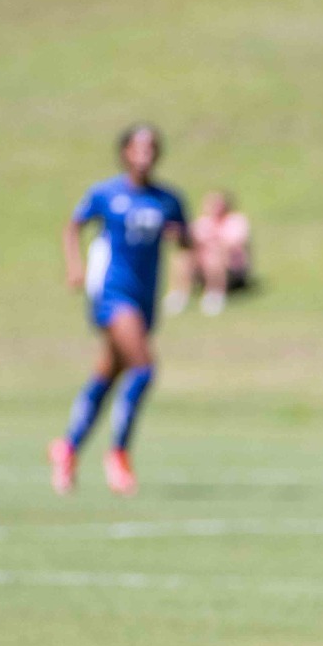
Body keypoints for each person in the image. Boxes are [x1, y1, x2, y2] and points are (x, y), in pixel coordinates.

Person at [50, 124, 189, 496]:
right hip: (112, 294)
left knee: (109, 375)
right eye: (137, 147)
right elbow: (72, 227)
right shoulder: (105, 193)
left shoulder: (168, 199)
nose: (144, 153)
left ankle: (67, 448)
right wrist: (74, 267)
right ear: (125, 152)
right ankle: (119, 455)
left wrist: (187, 245)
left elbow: (185, 241)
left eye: (151, 147)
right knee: (144, 369)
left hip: (144, 299)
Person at [166, 190, 252, 317]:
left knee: (214, 254)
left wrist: (210, 243)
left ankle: (215, 294)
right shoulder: (203, 223)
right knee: (185, 255)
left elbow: (234, 244)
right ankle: (180, 294)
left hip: (231, 267)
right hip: (203, 265)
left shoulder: (235, 221)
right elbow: (192, 241)